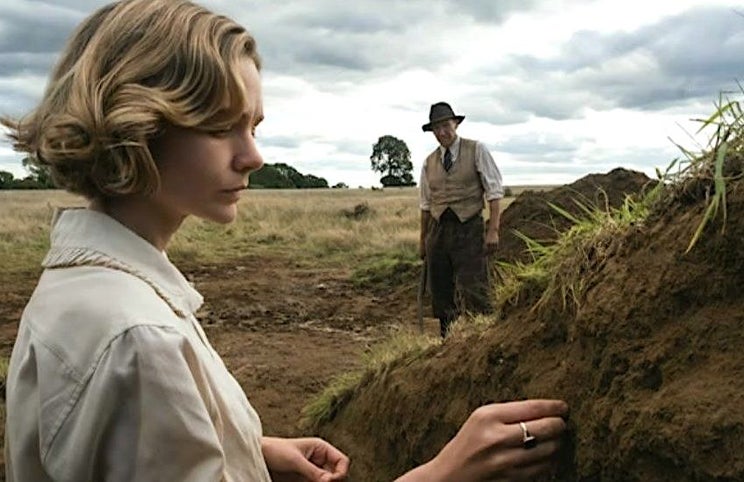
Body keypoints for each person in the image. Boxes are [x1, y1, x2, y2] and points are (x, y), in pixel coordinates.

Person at [2, 1, 567, 481]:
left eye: (255, 126)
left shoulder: (77, 288)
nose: (254, 156)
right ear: (137, 123)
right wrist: (441, 474)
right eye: (221, 126)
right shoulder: (138, 341)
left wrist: (250, 451)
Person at [419, 101, 505, 338]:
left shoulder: (476, 150)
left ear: (455, 124)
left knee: (475, 287)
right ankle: (448, 340)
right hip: (438, 232)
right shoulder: (429, 162)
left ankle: (484, 337)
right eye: (436, 129)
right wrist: (423, 240)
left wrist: (493, 230)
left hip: (468, 228)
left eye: (445, 126)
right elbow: (426, 205)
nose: (442, 133)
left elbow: (495, 192)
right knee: (441, 291)